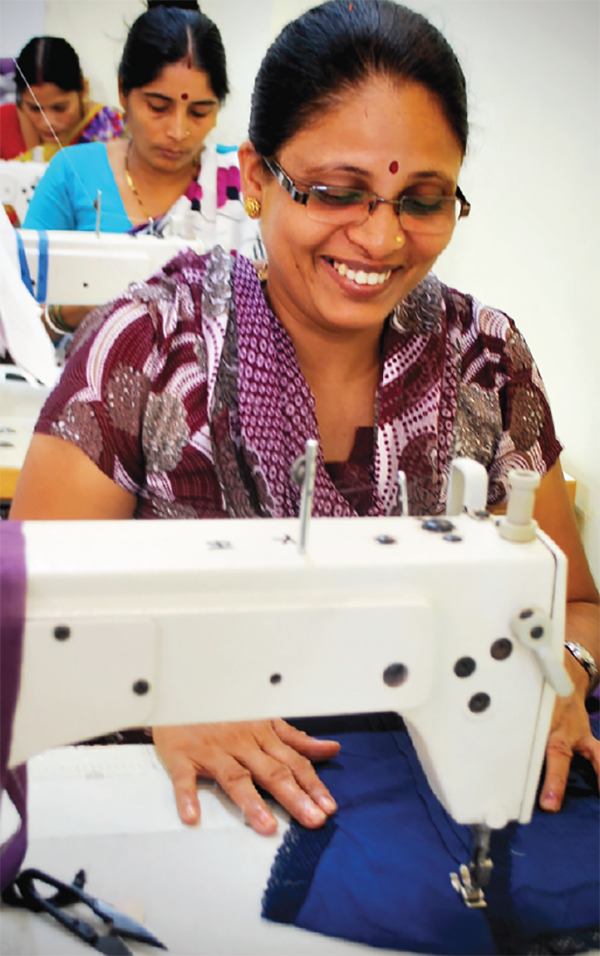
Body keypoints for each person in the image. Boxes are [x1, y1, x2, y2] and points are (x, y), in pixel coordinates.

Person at [9, 0, 600, 838]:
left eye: (423, 199)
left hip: (420, 817)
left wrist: (563, 674)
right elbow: (22, 638)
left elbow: (576, 606)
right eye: (337, 192)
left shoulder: (486, 363)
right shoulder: (143, 354)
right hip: (184, 819)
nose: (382, 236)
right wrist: (157, 703)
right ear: (254, 180)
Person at [21, 2, 259, 338]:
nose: (178, 131)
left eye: (199, 112)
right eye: (158, 107)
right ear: (123, 92)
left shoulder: (244, 180)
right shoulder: (73, 172)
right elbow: (16, 323)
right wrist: (73, 311)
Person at [0, 36, 124, 162]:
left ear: (83, 90)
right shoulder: (3, 122)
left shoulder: (112, 128)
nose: (47, 122)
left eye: (59, 108)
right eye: (35, 109)